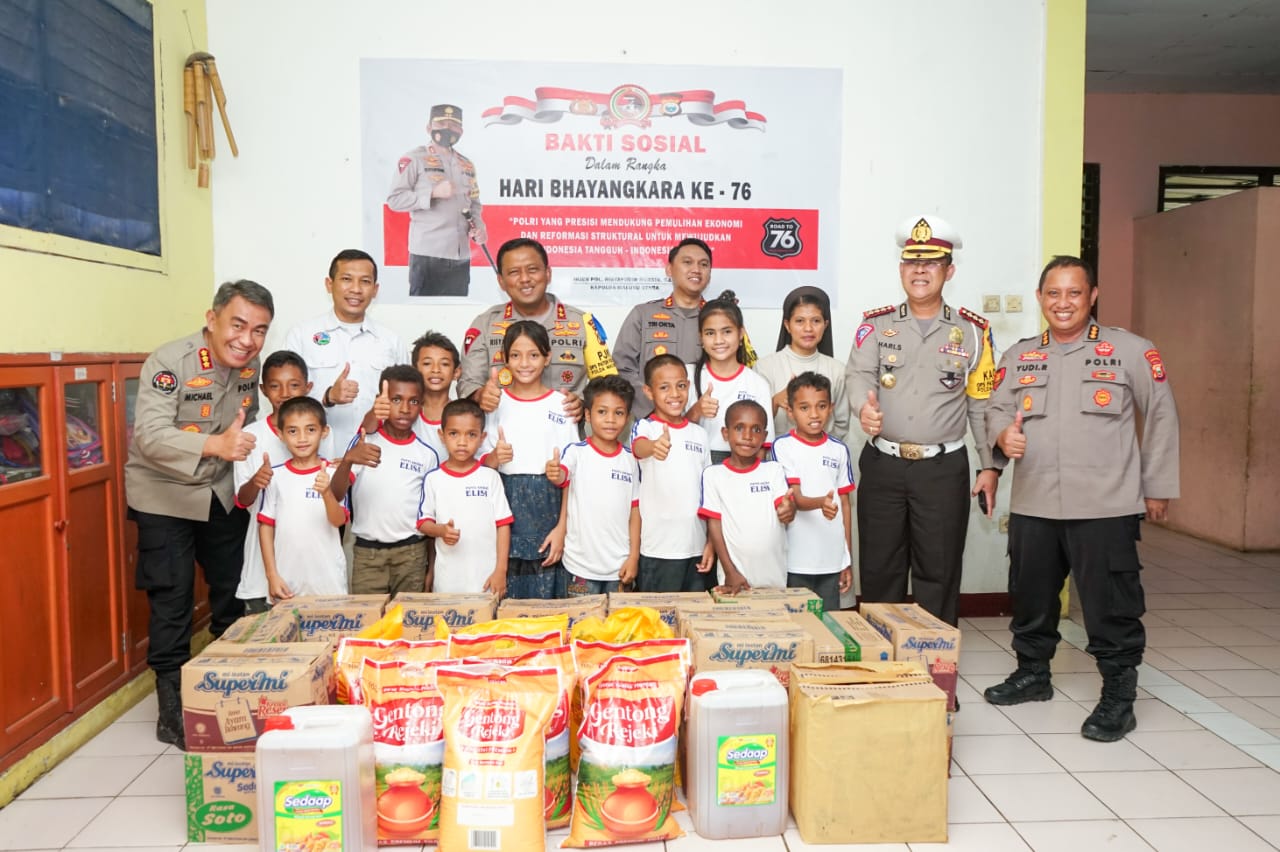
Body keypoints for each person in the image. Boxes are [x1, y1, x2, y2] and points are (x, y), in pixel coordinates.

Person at [982, 255, 1180, 743]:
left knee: (1109, 605)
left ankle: (1118, 696)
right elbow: (995, 408)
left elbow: (1161, 416)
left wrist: (1157, 486)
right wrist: (1003, 438)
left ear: (1092, 295)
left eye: (1074, 293)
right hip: (1035, 504)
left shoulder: (1131, 350)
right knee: (1031, 597)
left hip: (1105, 507)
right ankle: (1033, 674)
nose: (1063, 302)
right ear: (1040, 298)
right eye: (1053, 293)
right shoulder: (1021, 355)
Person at [126, 278, 274, 749]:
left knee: (232, 590)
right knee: (172, 598)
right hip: (164, 495)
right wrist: (215, 444)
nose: (246, 339)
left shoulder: (248, 370)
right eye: (238, 325)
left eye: (259, 330)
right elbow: (149, 435)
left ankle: (226, 690)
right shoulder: (171, 362)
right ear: (211, 319)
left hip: (218, 493)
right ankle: (170, 707)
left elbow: (251, 425)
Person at [844, 214, 998, 626]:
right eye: (912, 262)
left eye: (931, 263)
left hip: (943, 469)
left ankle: (936, 672)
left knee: (939, 572)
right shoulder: (875, 326)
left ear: (949, 271)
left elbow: (981, 402)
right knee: (880, 572)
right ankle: (883, 671)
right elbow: (858, 375)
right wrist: (863, 406)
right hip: (884, 465)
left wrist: (988, 466)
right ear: (900, 270)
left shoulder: (973, 331)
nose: (920, 271)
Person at [480, 321, 579, 599]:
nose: (524, 363)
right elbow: (481, 465)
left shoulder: (561, 405)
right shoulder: (495, 404)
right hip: (505, 510)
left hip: (549, 510)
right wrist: (494, 458)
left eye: (534, 355)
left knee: (547, 598)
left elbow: (571, 475)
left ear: (547, 358)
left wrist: (562, 528)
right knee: (505, 594)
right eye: (516, 355)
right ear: (505, 359)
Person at [458, 238, 605, 424]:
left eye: (532, 269)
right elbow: (468, 383)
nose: (525, 279)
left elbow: (607, 385)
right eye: (514, 272)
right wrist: (481, 396)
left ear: (548, 273)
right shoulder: (485, 324)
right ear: (501, 281)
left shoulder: (583, 323)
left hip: (564, 442)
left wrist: (585, 404)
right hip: (501, 441)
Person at [233, 350, 334, 614]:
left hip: (314, 573)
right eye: (275, 386)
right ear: (264, 390)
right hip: (262, 574)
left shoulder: (323, 431)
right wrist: (257, 481)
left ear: (308, 387)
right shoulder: (249, 436)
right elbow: (243, 501)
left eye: (294, 385)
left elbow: (334, 500)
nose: (285, 393)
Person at [330, 366, 440, 596]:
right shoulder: (365, 442)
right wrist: (348, 460)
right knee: (369, 626)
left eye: (413, 401)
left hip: (412, 554)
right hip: (368, 555)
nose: (404, 409)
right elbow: (336, 494)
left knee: (409, 623)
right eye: (396, 399)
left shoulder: (426, 455)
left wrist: (432, 565)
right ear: (381, 401)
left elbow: (429, 514)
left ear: (421, 405)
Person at [283, 249, 408, 453]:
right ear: (329, 284)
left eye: (365, 281)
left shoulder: (391, 341)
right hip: (317, 456)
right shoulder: (301, 336)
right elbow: (285, 400)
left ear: (375, 290)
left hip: (376, 456)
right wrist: (328, 397)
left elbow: (406, 399)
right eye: (347, 279)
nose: (356, 289)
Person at [547, 375, 640, 596]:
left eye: (618, 413)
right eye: (602, 412)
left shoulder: (632, 460)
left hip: (619, 568)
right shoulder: (576, 452)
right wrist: (554, 472)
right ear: (587, 415)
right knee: (581, 628)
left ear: (627, 418)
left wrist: (634, 557)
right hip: (580, 567)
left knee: (617, 629)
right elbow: (561, 476)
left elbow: (635, 512)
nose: (610, 419)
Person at [770, 373, 855, 612]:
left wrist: (846, 559)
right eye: (804, 408)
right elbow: (794, 498)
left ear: (831, 408)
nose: (814, 414)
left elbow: (845, 505)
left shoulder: (839, 450)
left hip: (831, 559)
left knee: (829, 629)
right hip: (794, 561)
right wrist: (821, 502)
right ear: (791, 411)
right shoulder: (783, 446)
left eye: (821, 406)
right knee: (798, 630)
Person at [630, 353, 714, 592]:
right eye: (664, 387)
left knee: (692, 619)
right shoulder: (646, 427)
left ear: (688, 386)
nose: (675, 394)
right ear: (649, 391)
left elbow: (708, 492)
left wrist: (711, 543)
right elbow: (639, 447)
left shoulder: (699, 434)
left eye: (680, 386)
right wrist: (654, 446)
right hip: (658, 549)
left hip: (696, 548)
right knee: (659, 622)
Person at [387, 103, 486, 297]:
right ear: (429, 127)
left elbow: (474, 204)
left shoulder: (467, 164)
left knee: (457, 316)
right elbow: (395, 200)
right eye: (442, 123)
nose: (448, 128)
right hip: (427, 255)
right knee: (422, 316)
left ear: (461, 131)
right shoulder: (414, 158)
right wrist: (431, 193)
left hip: (460, 255)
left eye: (454, 125)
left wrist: (480, 227)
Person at [417, 399, 513, 596]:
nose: (462, 442)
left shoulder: (490, 477)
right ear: (441, 435)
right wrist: (441, 530)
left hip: (487, 581)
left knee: (486, 626)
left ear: (482, 437)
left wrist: (501, 571)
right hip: (447, 582)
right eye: (454, 434)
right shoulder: (433, 479)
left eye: (471, 435)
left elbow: (503, 525)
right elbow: (423, 523)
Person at [257, 396, 349, 600]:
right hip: (287, 583)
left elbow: (339, 521)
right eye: (292, 431)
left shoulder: (335, 474)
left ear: (324, 432)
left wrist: (326, 493)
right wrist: (272, 575)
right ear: (280, 435)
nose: (302, 438)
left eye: (310, 429)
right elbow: (265, 527)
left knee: (333, 631)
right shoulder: (275, 476)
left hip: (328, 582)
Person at [698, 399, 795, 593]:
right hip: (734, 579)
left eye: (756, 430)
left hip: (774, 577)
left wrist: (788, 510)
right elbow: (715, 527)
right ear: (726, 434)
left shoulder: (773, 470)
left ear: (765, 436)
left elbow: (786, 509)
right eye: (739, 428)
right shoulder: (713, 475)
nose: (748, 436)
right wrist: (729, 571)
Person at [613, 238, 712, 418]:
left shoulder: (719, 319)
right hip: (653, 422)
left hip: (706, 422)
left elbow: (735, 369)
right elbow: (622, 367)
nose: (696, 269)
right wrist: (653, 408)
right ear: (669, 269)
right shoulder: (643, 314)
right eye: (687, 262)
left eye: (703, 264)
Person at [687, 290, 773, 463]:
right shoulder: (687, 375)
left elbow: (763, 446)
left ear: (741, 335)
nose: (719, 340)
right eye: (710, 333)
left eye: (727, 332)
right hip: (694, 464)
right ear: (701, 338)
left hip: (743, 466)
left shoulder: (757, 383)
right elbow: (671, 430)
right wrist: (696, 411)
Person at [756, 286, 850, 441]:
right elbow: (755, 424)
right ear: (787, 325)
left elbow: (841, 423)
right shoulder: (765, 367)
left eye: (816, 321)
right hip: (777, 458)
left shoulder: (838, 370)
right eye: (800, 321)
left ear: (825, 325)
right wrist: (774, 401)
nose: (808, 328)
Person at [411, 330, 461, 462]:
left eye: (444, 364)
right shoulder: (405, 413)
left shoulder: (463, 417)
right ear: (414, 370)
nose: (436, 370)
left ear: (456, 372)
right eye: (427, 363)